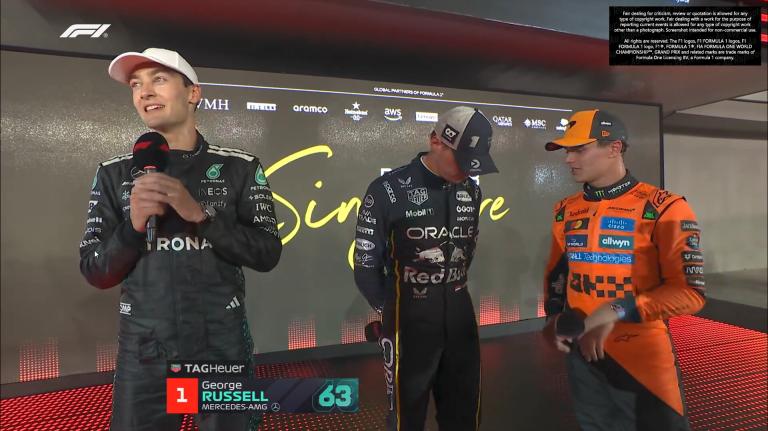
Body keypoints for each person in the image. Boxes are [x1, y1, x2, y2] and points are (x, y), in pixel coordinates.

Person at [78, 48, 282, 431]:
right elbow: (95, 270)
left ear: (193, 93)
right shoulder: (112, 174)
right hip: (144, 350)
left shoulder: (240, 167)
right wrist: (132, 227)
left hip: (221, 346)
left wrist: (201, 217)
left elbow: (267, 253)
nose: (144, 92)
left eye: (158, 79)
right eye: (136, 84)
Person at [541, 109, 706, 431]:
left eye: (579, 149)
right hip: (582, 354)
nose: (568, 159)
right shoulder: (565, 209)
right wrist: (555, 317)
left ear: (614, 148)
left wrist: (616, 310)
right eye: (567, 150)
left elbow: (690, 292)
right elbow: (558, 273)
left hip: (642, 357)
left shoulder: (665, 206)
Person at [354, 106, 498, 431]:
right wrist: (391, 311)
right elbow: (365, 267)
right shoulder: (386, 190)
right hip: (408, 320)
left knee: (464, 414)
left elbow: (466, 252)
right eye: (462, 160)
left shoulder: (471, 190)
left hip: (460, 316)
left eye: (474, 163)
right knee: (406, 418)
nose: (467, 170)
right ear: (436, 141)